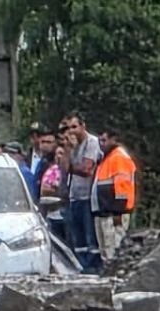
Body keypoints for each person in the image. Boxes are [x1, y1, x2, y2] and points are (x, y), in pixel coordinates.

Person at [58, 112, 103, 273]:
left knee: (90, 234)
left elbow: (86, 169)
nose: (71, 131)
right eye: (68, 128)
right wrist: (68, 149)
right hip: (74, 195)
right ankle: (81, 265)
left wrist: (71, 168)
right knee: (78, 236)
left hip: (89, 195)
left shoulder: (92, 143)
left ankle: (94, 266)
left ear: (83, 126)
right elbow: (63, 169)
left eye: (74, 127)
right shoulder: (72, 145)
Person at [91, 129, 139, 264]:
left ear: (114, 140)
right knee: (106, 249)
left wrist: (118, 211)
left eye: (104, 141)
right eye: (100, 141)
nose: (101, 144)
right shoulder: (107, 158)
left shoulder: (118, 157)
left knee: (113, 247)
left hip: (114, 214)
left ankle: (115, 274)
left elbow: (123, 186)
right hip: (104, 212)